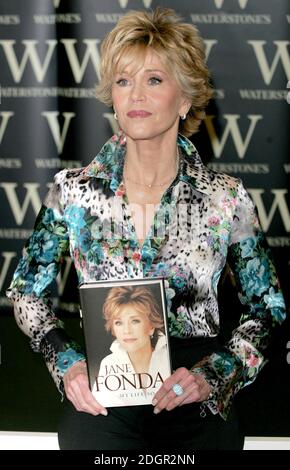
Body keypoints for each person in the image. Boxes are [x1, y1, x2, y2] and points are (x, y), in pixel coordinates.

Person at [7, 7, 286, 450]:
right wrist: (67, 364)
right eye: (123, 80)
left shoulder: (225, 198)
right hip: (106, 396)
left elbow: (268, 309)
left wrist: (214, 376)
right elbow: (25, 292)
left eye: (154, 79)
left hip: (192, 394)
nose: (135, 93)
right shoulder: (72, 192)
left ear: (185, 98)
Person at [95, 285, 171, 406]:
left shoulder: (169, 356)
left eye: (135, 321)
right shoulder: (109, 364)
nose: (127, 331)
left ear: (151, 327)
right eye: (118, 323)